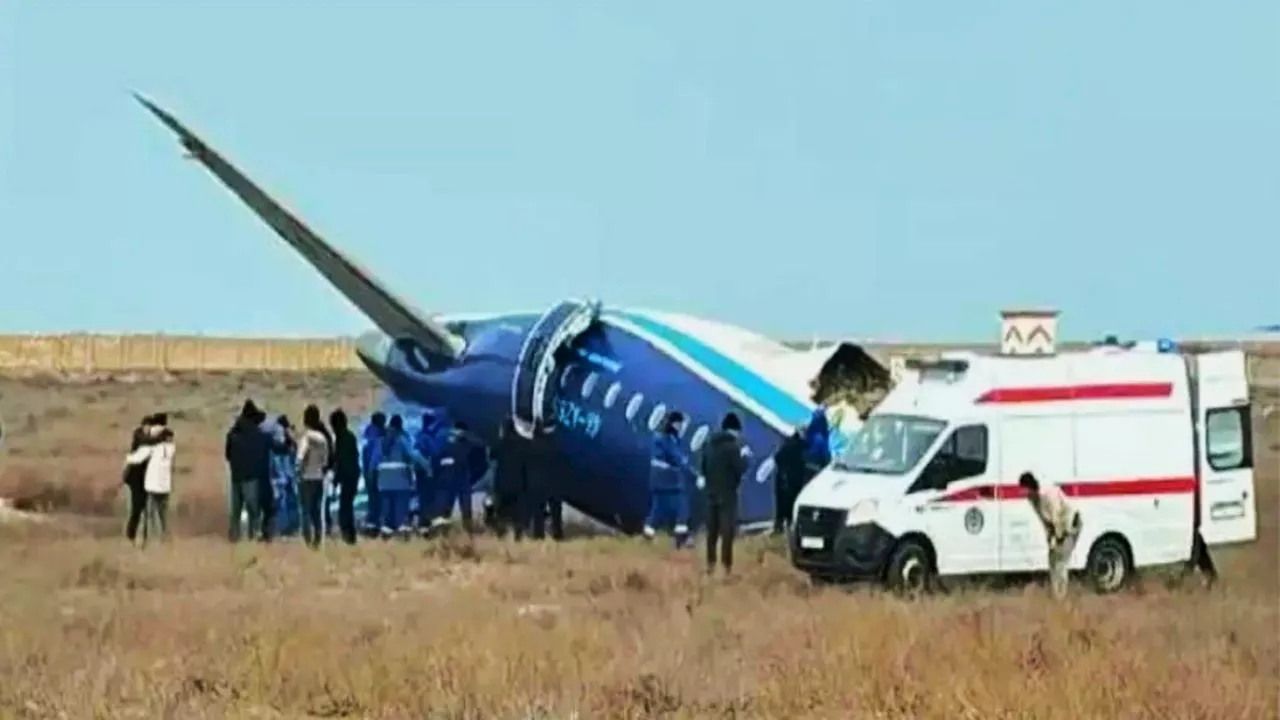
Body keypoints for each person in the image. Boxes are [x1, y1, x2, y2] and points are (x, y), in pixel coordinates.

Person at [699, 412, 750, 575]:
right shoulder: (733, 447)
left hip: (711, 493)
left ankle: (710, 565)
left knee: (712, 532)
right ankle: (727, 567)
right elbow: (740, 469)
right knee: (727, 532)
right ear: (734, 430)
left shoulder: (708, 444)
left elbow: (704, 467)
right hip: (728, 495)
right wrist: (745, 457)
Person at [1018, 471, 1082, 599]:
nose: (1022, 492)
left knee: (1061, 561)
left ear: (1030, 486)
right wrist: (1050, 537)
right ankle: (1055, 593)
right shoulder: (1033, 499)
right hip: (1056, 526)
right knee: (1052, 559)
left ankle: (1061, 597)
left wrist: (1059, 537)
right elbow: (1044, 520)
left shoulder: (1047, 495)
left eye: (1024, 489)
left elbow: (1057, 516)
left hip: (1070, 523)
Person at [645, 410, 695, 548]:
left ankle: (647, 534)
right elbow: (677, 457)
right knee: (682, 505)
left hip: (657, 479)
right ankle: (681, 536)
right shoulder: (667, 439)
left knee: (658, 508)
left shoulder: (660, 437)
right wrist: (692, 472)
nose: (681, 426)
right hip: (667, 479)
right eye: (680, 423)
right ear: (674, 423)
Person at [124, 413, 176, 545]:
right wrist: (163, 437)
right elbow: (147, 442)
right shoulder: (141, 436)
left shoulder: (153, 442)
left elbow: (140, 454)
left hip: (150, 481)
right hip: (141, 479)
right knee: (142, 509)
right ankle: (134, 535)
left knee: (148, 512)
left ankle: (145, 538)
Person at [225, 400, 272, 542]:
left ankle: (234, 538)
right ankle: (252, 537)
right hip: (252, 477)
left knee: (236, 511)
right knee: (253, 511)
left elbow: (227, 455)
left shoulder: (232, 434)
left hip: (236, 476)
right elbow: (265, 454)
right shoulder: (259, 435)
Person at [377, 414, 430, 537]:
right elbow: (413, 454)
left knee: (387, 509)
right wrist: (427, 466)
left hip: (384, 481)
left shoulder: (382, 440)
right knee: (400, 509)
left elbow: (374, 461)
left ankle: (386, 531)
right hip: (400, 480)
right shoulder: (402, 439)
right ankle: (401, 533)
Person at [434, 419, 481, 534]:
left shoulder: (445, 441)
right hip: (460, 477)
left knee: (447, 506)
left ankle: (445, 531)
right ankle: (465, 530)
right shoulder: (464, 442)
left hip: (449, 477)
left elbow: (437, 457)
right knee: (462, 507)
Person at [296, 404, 332, 549]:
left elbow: (300, 457)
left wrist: (298, 471)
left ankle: (307, 542)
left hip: (306, 478)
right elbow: (325, 460)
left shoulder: (307, 437)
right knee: (317, 512)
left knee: (305, 510)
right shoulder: (323, 438)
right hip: (319, 478)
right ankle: (318, 541)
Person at [122, 414, 157, 544]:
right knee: (137, 507)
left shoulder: (149, 439)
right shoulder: (139, 436)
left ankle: (144, 537)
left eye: (150, 427)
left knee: (146, 508)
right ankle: (131, 534)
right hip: (135, 478)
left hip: (146, 478)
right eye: (147, 426)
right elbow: (144, 442)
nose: (148, 429)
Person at [329, 408, 361, 545]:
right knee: (347, 507)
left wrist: (336, 479)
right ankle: (349, 535)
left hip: (348, 477)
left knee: (345, 508)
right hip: (352, 475)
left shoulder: (342, 439)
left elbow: (341, 460)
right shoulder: (349, 436)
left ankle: (348, 536)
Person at [490, 416, 526, 538]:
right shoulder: (522, 444)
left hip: (502, 484)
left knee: (501, 513)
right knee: (517, 514)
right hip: (518, 483)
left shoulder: (501, 444)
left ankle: (501, 535)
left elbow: (492, 455)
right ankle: (518, 536)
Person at [267, 415, 300, 537]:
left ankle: (287, 527)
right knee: (286, 502)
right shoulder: (283, 443)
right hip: (286, 478)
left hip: (284, 478)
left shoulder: (278, 442)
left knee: (284, 502)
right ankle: (288, 526)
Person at [771, 428, 806, 535]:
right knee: (792, 504)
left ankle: (778, 527)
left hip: (782, 479)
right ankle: (790, 527)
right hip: (794, 481)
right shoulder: (801, 447)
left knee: (781, 506)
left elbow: (777, 458)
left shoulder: (786, 444)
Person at [413, 409, 443, 532]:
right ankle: (425, 524)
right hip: (427, 472)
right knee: (428, 498)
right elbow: (434, 452)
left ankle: (423, 524)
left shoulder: (419, 436)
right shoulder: (427, 437)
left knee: (423, 498)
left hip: (420, 472)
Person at [361, 412, 387, 535]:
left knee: (373, 499)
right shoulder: (379, 436)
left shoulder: (367, 435)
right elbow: (376, 456)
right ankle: (376, 524)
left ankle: (372, 523)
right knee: (378, 499)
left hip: (369, 472)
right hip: (376, 471)